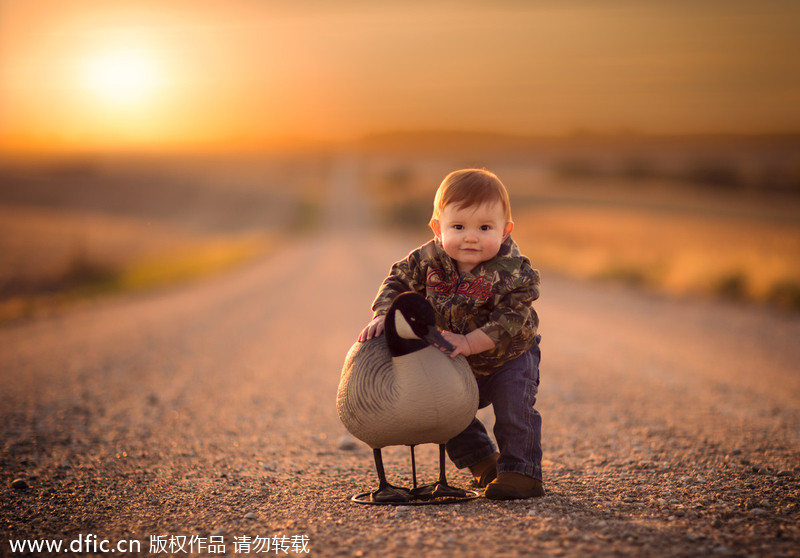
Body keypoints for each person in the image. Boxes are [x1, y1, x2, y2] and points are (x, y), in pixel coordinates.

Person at [358, 168, 543, 500]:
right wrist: (384, 313)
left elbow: (513, 316)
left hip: (508, 357)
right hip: (454, 354)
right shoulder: (428, 259)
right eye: (458, 227)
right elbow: (397, 281)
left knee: (513, 409)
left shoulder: (514, 270)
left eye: (485, 228)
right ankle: (484, 462)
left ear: (505, 231)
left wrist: (472, 342)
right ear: (437, 228)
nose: (470, 237)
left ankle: (521, 471)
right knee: (444, 409)